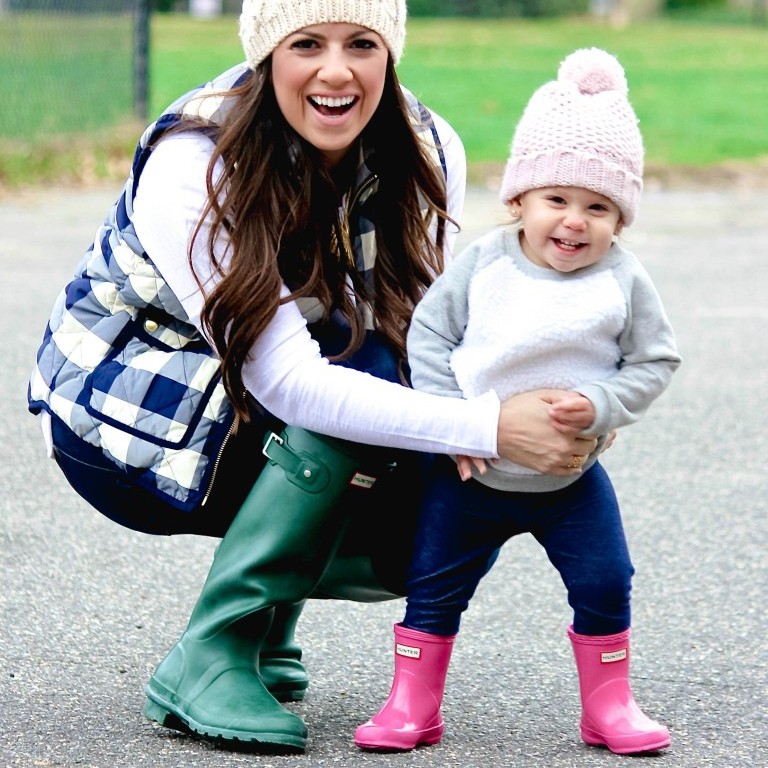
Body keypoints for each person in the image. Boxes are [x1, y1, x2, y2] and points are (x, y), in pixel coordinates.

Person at [27, 0, 599, 754]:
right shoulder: (195, 159)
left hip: (263, 403)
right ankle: (213, 652)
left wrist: (557, 405)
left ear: (389, 53)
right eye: (307, 44)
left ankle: (269, 630)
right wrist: (491, 425)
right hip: (121, 422)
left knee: (448, 496)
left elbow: (430, 335)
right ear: (268, 54)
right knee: (357, 388)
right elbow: (291, 384)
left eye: (362, 43)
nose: (337, 71)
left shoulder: (429, 148)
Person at [354, 47, 681, 756]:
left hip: (568, 480)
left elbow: (655, 360)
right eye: (557, 200)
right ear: (519, 200)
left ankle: (609, 706)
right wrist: (453, 426)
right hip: (470, 473)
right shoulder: (484, 265)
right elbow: (429, 338)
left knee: (606, 579)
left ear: (619, 220)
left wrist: (601, 402)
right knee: (434, 587)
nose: (574, 222)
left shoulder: (622, 281)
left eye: (598, 207)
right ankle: (412, 704)